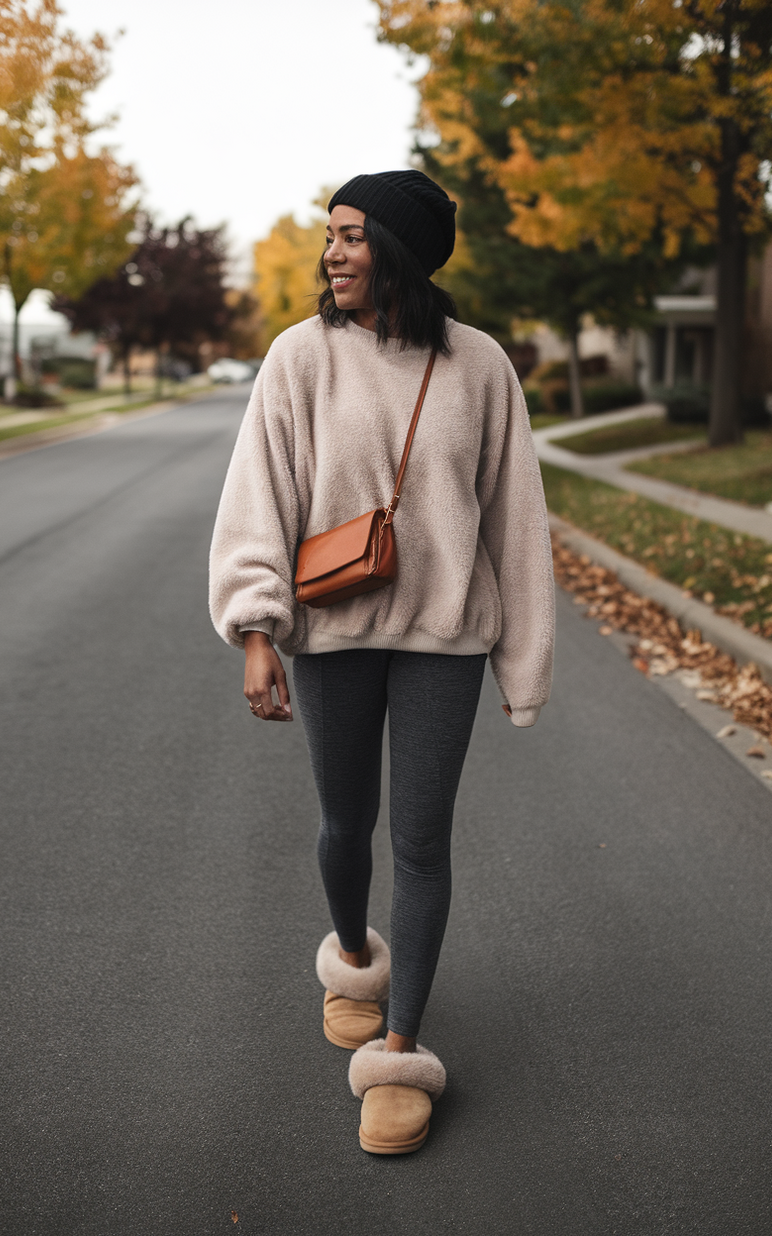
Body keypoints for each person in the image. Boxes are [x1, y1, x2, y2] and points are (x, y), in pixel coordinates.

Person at [209, 170, 555, 1155]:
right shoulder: (300, 357)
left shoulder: (478, 366)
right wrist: (254, 631)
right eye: (329, 236)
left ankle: (399, 1043)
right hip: (332, 635)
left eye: (352, 235)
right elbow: (257, 499)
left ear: (398, 248)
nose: (333, 252)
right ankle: (354, 956)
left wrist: (520, 666)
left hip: (444, 636)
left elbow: (515, 522)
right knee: (341, 825)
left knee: (420, 843)